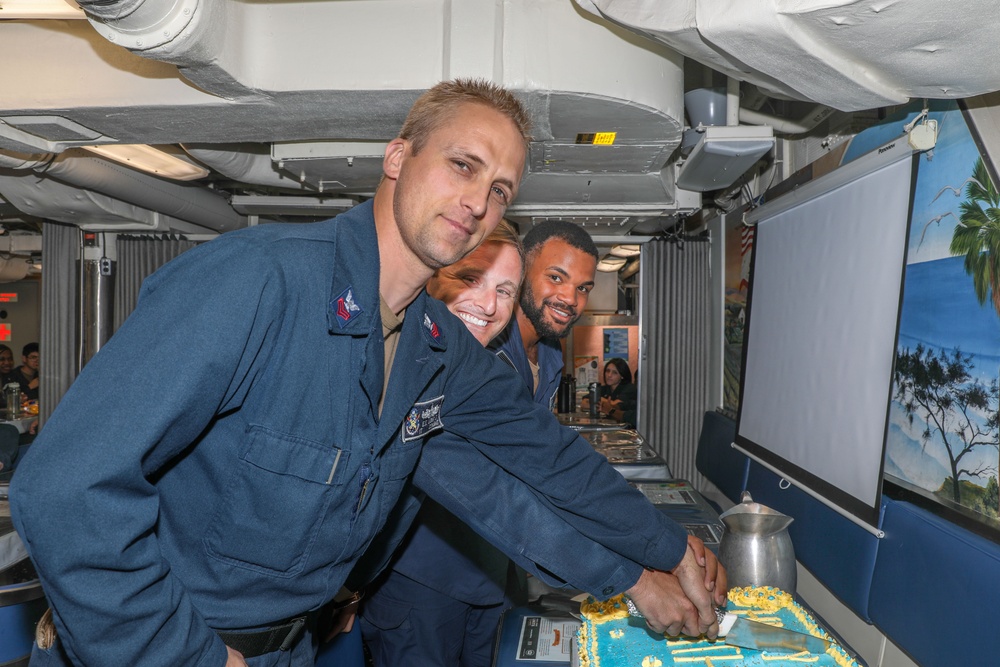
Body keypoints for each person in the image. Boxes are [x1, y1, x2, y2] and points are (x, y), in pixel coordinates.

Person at [11, 79, 723, 667]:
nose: (480, 202)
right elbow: (66, 487)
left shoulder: (435, 346)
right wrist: (183, 655)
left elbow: (550, 458)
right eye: (463, 164)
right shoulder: (256, 282)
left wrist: (666, 549)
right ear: (397, 157)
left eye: (502, 189)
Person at [359, 221, 526, 667]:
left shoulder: (505, 372)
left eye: (506, 291)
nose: (489, 305)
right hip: (416, 590)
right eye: (471, 279)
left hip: (493, 584)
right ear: (433, 277)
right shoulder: (388, 366)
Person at [490, 220, 597, 409]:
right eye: (556, 278)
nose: (571, 299)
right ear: (522, 273)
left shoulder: (552, 350)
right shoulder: (487, 345)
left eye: (582, 288)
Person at [595, 357, 638, 425]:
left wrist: (598, 400)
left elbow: (615, 404)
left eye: (614, 373)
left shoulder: (630, 388)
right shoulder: (604, 388)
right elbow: (584, 402)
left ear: (622, 375)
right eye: (607, 371)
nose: (609, 375)